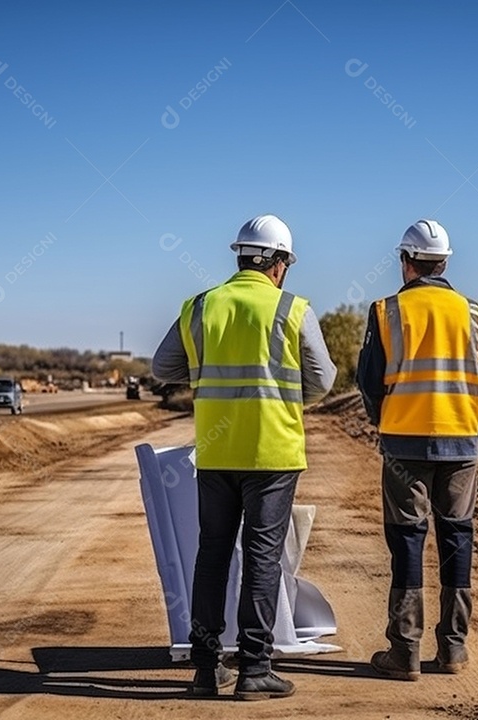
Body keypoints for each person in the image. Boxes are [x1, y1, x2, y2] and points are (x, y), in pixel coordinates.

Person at [152, 214, 336, 700]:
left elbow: (162, 366)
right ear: (279, 264)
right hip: (273, 453)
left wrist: (208, 376)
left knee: (211, 553)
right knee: (262, 557)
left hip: (215, 452)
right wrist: (283, 397)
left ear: (240, 257)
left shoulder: (201, 307)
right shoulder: (292, 309)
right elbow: (323, 380)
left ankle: (207, 667)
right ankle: (255, 668)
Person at [355, 219, 478, 681]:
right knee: (457, 537)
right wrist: (467, 415)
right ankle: (453, 649)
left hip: (403, 446)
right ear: (444, 263)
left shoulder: (386, 311)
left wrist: (387, 419)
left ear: (406, 263)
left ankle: (404, 651)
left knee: (407, 539)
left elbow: (368, 381)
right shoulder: (477, 313)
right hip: (462, 444)